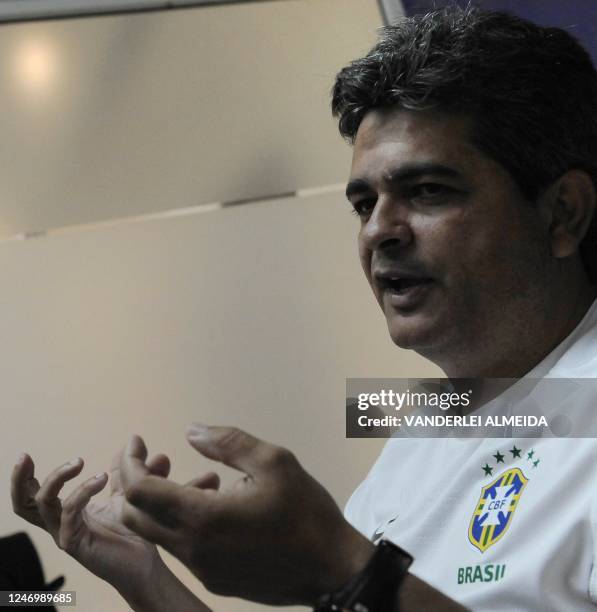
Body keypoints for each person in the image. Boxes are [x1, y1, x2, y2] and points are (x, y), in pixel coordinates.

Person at [11, 5, 597, 611]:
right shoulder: (428, 424)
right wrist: (142, 576)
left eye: (427, 191)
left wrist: (339, 563)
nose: (380, 232)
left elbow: (354, 576)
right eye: (364, 204)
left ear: (562, 213)